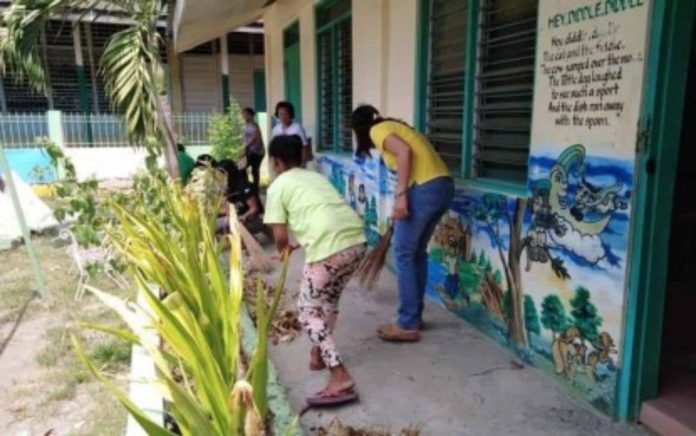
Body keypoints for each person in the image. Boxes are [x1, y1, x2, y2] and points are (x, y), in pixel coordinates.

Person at [264, 135, 366, 406]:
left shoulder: (279, 185)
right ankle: (320, 353)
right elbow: (323, 214)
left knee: (307, 311)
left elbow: (279, 232)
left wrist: (284, 249)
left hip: (328, 250)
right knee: (329, 301)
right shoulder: (316, 178)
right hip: (356, 243)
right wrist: (301, 242)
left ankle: (339, 375)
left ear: (275, 161)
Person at [351, 104, 454, 342]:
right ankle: (413, 317)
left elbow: (404, 152)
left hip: (425, 189)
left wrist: (401, 196)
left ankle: (407, 322)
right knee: (416, 253)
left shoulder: (378, 130)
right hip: (442, 188)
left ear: (360, 128)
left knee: (404, 252)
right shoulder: (395, 126)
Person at [215, 159, 270, 239]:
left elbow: (254, 208)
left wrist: (244, 216)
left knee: (226, 227)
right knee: (214, 226)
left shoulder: (243, 186)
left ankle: (248, 240)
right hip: (238, 219)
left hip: (253, 219)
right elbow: (229, 210)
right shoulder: (228, 187)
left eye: (220, 174)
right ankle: (247, 238)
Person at [242, 107, 265, 194]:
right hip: (249, 151)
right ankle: (248, 186)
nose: (245, 117)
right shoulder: (246, 126)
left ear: (252, 116)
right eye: (244, 115)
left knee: (254, 169)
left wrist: (246, 146)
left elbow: (255, 138)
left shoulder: (254, 126)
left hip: (256, 152)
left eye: (247, 115)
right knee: (243, 168)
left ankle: (255, 188)